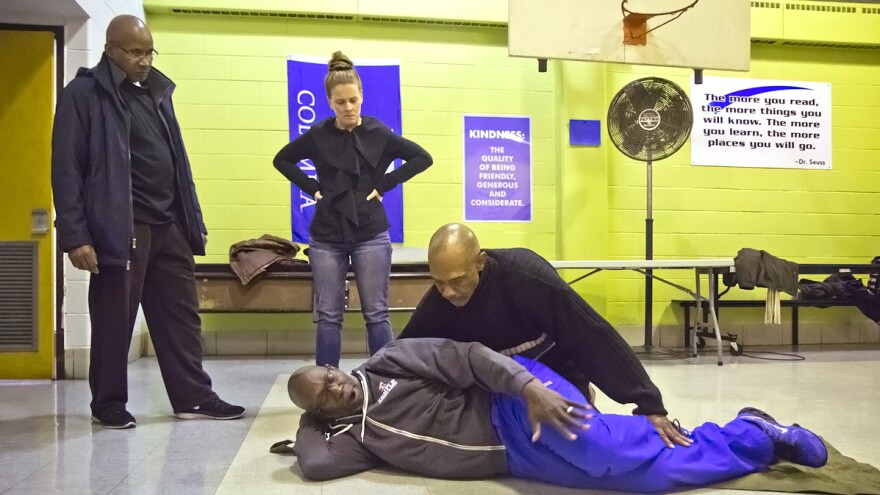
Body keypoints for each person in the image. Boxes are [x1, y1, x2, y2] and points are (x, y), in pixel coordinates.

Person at [286, 338, 827, 492]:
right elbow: (316, 466)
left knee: (604, 451)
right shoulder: (352, 437)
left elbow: (469, 356)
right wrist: (311, 421)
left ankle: (639, 431)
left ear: (335, 365)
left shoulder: (387, 363)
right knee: (646, 481)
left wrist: (527, 387)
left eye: (329, 378)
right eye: (323, 398)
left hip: (516, 399)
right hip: (514, 459)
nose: (335, 390)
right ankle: (752, 434)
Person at [51, 15, 244, 429]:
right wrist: (74, 235)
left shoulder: (156, 93)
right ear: (110, 50)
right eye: (134, 52)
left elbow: (177, 161)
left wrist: (191, 218)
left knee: (181, 314)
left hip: (168, 223)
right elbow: (65, 167)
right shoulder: (83, 95)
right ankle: (108, 404)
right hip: (120, 224)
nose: (143, 60)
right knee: (114, 317)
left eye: (148, 51)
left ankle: (193, 397)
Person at [397, 223, 688, 448]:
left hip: (555, 368)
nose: (448, 292)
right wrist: (362, 390)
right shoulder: (439, 303)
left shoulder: (526, 277)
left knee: (584, 439)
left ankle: (583, 394)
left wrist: (650, 405)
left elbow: (591, 336)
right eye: (439, 283)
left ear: (481, 262)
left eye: (458, 280)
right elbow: (402, 355)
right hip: (497, 384)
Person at [273, 51, 433, 367]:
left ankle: (384, 383)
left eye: (354, 100)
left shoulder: (379, 133)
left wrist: (386, 184)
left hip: (371, 233)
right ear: (330, 103)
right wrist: (313, 190)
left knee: (376, 313)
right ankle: (326, 387)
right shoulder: (318, 135)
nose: (348, 107)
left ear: (362, 97)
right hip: (326, 235)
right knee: (329, 315)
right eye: (341, 102)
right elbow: (282, 160)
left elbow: (422, 158)